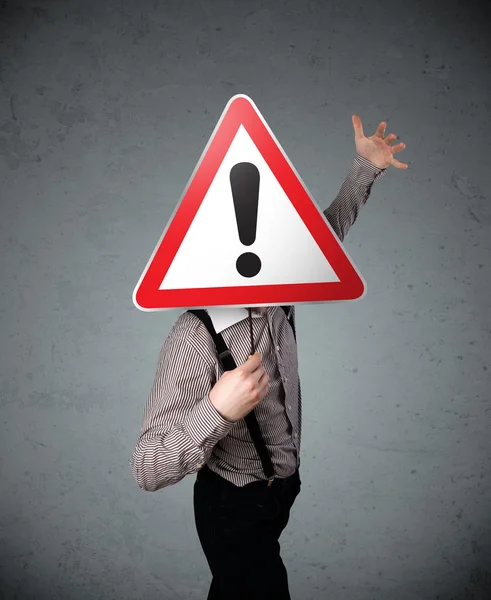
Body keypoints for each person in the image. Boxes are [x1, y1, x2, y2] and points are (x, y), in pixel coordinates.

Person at [130, 116, 407, 599]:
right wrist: (214, 411)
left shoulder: (280, 284)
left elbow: (326, 235)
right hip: (233, 506)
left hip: (281, 491)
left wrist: (365, 167)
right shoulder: (194, 336)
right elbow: (147, 467)